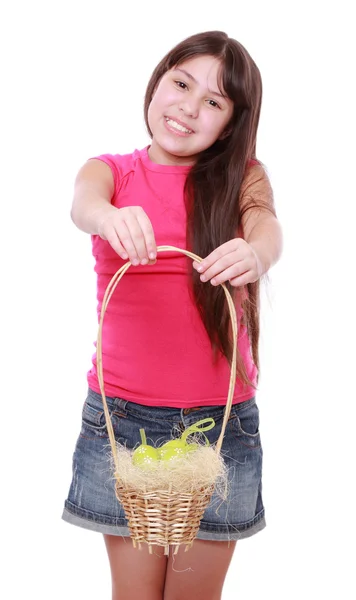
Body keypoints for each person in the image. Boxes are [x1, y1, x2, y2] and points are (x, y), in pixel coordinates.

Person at [62, 30, 283, 600]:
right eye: (181, 84)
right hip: (122, 423)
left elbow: (266, 228)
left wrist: (256, 254)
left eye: (213, 101)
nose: (188, 106)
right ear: (158, 81)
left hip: (218, 425)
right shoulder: (110, 170)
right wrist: (106, 216)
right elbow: (83, 203)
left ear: (231, 123)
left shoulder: (243, 177)